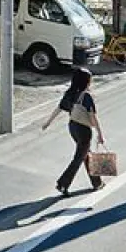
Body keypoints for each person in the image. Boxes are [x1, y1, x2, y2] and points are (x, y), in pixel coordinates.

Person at [40, 67, 106, 196]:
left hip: (72, 127)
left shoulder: (70, 93)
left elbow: (59, 108)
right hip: (84, 130)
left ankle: (97, 182)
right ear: (86, 81)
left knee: (86, 154)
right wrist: (100, 134)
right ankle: (62, 184)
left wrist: (48, 123)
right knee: (79, 158)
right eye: (90, 80)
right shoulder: (86, 96)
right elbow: (93, 117)